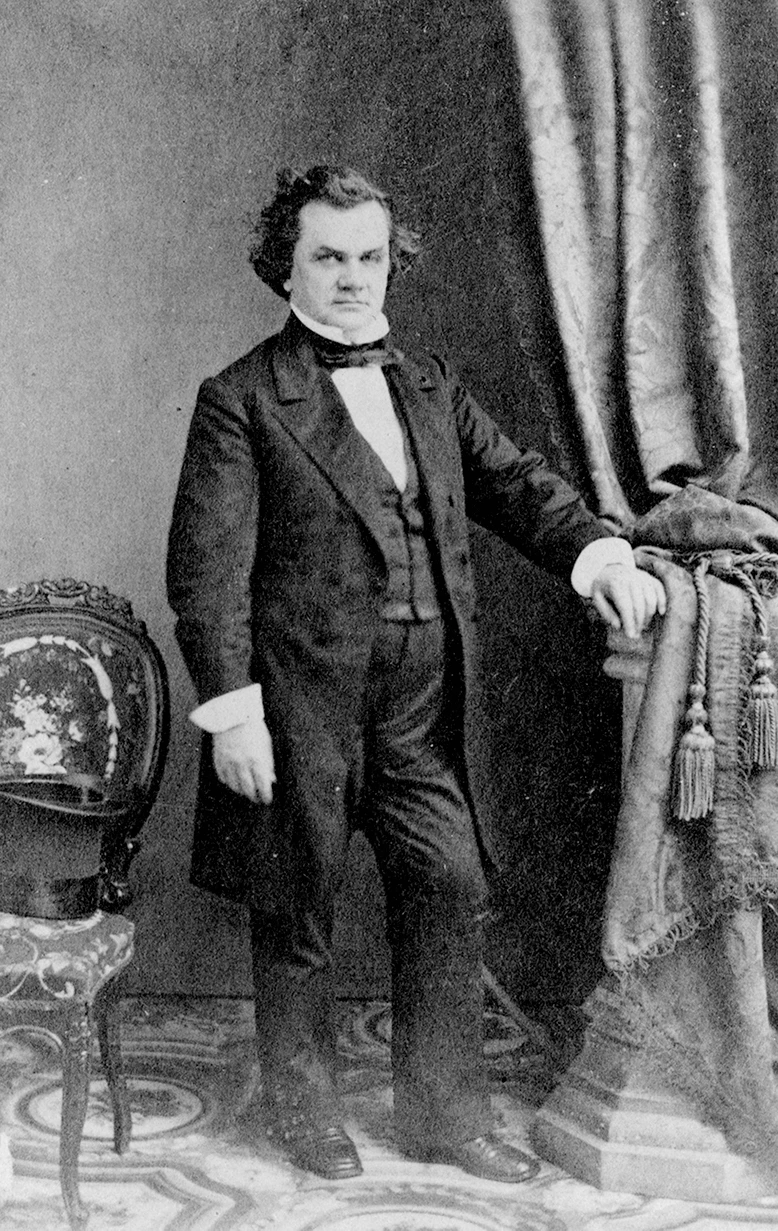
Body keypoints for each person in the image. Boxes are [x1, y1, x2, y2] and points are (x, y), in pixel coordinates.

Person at [166, 164, 665, 1184]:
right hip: (299, 706)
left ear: (392, 262)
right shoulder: (243, 400)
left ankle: (441, 1116)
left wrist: (600, 557)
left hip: (420, 707)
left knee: (449, 883)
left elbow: (519, 485)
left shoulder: (429, 382)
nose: (353, 279)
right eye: (328, 258)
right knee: (296, 902)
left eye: (369, 257)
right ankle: (304, 1114)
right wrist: (231, 715)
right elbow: (206, 573)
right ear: (285, 267)